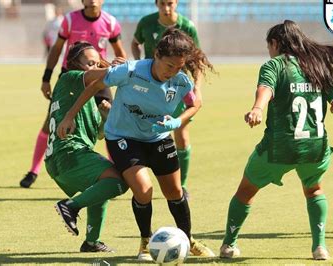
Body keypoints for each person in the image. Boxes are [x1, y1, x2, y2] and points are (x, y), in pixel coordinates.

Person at [57, 28, 216, 261]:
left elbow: (195, 104)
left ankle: (188, 240)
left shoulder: (181, 82)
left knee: (174, 192)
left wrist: (175, 122)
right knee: (144, 190)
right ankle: (145, 242)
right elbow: (94, 85)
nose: (172, 72)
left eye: (179, 67)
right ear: (157, 56)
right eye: (169, 66)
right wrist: (70, 115)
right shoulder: (131, 71)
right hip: (123, 137)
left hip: (159, 138)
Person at [219, 20, 333, 260]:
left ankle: (228, 245)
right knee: (314, 190)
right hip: (315, 146)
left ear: (275, 43)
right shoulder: (320, 64)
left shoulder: (274, 65)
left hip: (279, 147)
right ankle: (319, 248)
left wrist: (257, 109)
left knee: (246, 191)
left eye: (269, 45)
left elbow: (265, 90)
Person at [19, 0, 126, 188]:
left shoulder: (110, 22)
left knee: (112, 122)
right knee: (49, 124)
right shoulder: (70, 20)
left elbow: (120, 53)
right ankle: (33, 170)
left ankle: (119, 168)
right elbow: (57, 48)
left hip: (99, 78)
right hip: (72, 79)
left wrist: (120, 71)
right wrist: (46, 77)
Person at [46, 41, 128, 252]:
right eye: (90, 63)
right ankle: (70, 206)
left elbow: (99, 134)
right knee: (118, 180)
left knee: (100, 188)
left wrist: (106, 118)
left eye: (97, 63)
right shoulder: (69, 77)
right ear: (74, 64)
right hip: (69, 153)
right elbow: (96, 77)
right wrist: (120, 68)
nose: (94, 67)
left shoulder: (87, 101)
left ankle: (92, 242)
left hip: (63, 157)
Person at [131, 0, 200, 197]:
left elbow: (197, 59)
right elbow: (135, 43)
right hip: (148, 87)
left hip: (176, 90)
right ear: (156, 4)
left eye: (170, 3)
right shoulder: (146, 22)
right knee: (140, 129)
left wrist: (197, 87)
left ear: (176, 3)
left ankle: (181, 185)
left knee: (181, 133)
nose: (166, 8)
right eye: (162, 3)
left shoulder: (187, 26)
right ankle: (136, 175)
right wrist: (139, 62)